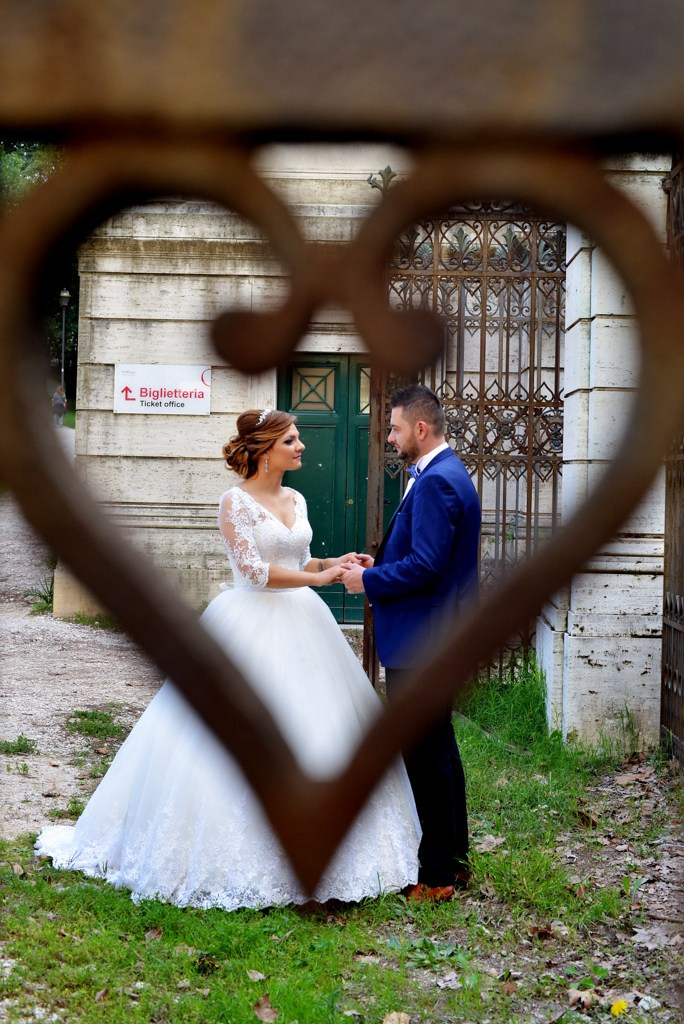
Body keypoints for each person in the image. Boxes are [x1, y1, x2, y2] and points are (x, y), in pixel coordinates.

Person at [35, 408, 420, 910]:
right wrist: (319, 580)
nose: (302, 446)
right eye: (292, 440)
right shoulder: (234, 502)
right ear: (263, 449)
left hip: (303, 624)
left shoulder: (296, 497)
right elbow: (257, 572)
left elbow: (297, 562)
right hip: (247, 623)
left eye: (299, 438)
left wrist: (334, 563)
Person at [340, 384, 481, 904]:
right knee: (439, 748)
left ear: (420, 429)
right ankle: (456, 864)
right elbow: (427, 559)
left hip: (424, 641)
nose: (391, 438)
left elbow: (426, 567)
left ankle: (439, 876)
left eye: (396, 428)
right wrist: (382, 566)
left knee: (425, 754)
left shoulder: (436, 483)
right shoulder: (443, 474)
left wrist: (368, 583)